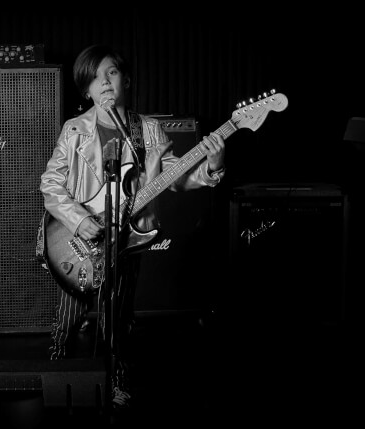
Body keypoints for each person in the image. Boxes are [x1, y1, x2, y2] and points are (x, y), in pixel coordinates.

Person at [37, 44, 226, 409]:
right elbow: (50, 184)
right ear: (86, 90)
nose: (104, 82)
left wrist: (213, 164)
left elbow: (178, 177)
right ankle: (55, 373)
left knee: (118, 316)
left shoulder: (149, 130)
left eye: (110, 72)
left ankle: (115, 381)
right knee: (69, 317)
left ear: (127, 79)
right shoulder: (76, 130)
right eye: (94, 78)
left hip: (129, 239)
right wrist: (79, 222)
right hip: (79, 242)